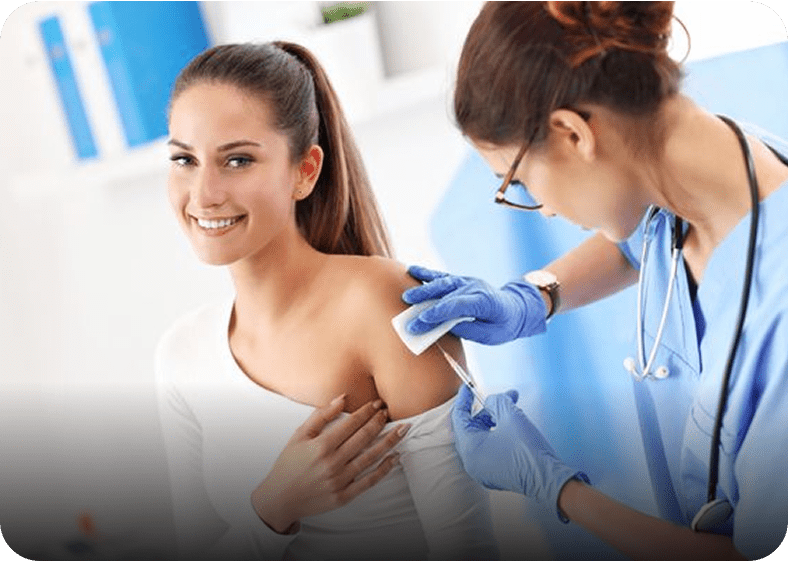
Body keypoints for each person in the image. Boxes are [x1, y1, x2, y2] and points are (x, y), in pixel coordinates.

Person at [401, 2, 788, 560]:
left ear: (572, 133)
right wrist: (533, 297)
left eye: (521, 181)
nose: (547, 212)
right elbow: (641, 242)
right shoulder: (700, 166)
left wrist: (558, 489)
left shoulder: (777, 314)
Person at [155, 42, 499, 561]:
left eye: (238, 160)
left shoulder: (384, 307)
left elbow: (468, 546)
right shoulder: (181, 353)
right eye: (185, 159)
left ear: (305, 171)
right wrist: (273, 507)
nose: (203, 193)